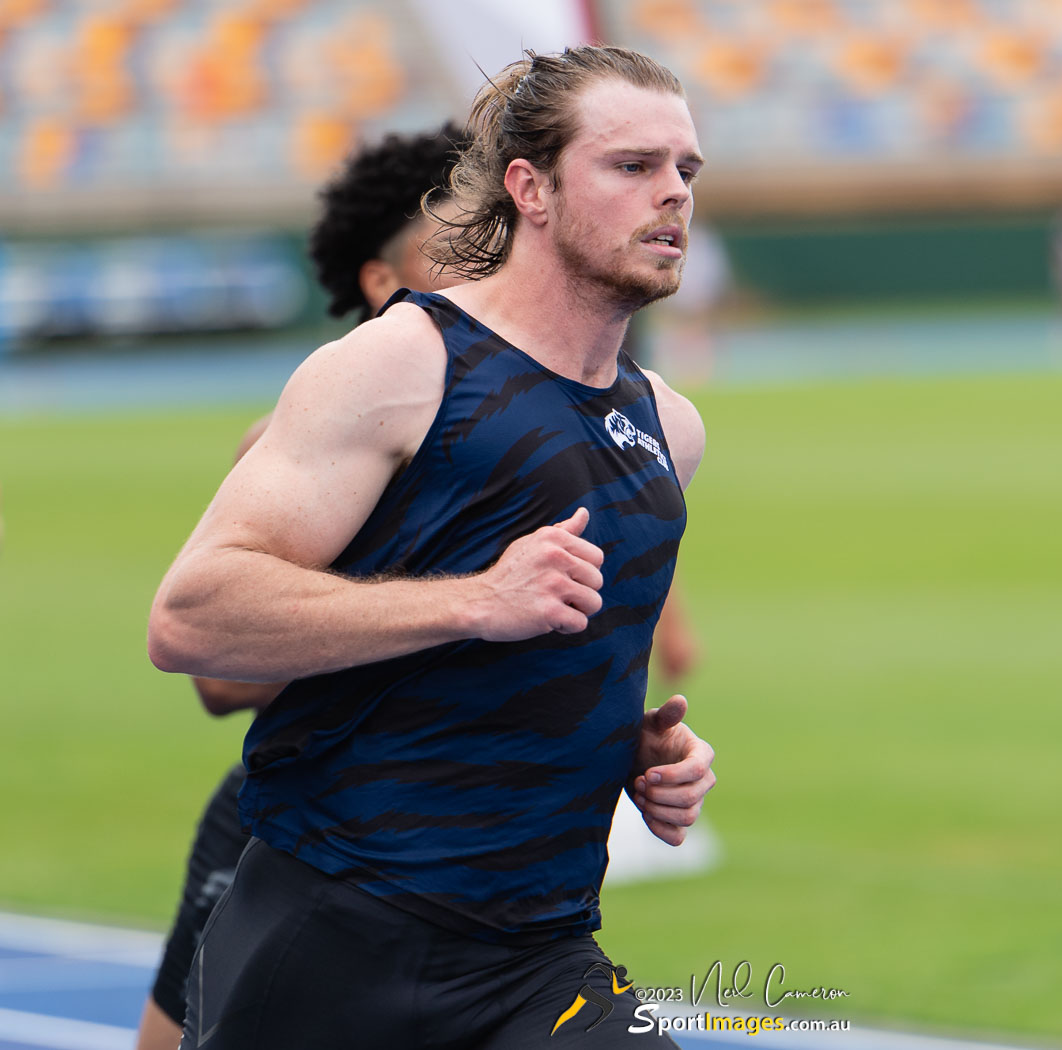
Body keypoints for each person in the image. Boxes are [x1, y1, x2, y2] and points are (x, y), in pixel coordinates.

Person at [147, 45, 715, 1049]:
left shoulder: (668, 428)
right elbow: (192, 621)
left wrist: (625, 752)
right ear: (528, 188)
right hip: (336, 934)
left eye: (685, 170)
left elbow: (543, 662)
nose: (671, 194)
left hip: (539, 961)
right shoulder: (403, 364)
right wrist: (469, 600)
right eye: (632, 166)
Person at [133, 123, 470, 1050]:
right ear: (382, 282)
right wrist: (438, 613)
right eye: (457, 249)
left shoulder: (519, 440)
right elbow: (217, 676)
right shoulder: (290, 441)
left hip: (461, 847)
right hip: (284, 829)